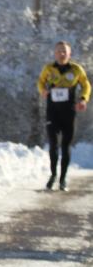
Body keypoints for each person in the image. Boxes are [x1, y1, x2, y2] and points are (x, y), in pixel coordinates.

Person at [37, 40, 90, 191]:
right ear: (54, 53)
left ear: (69, 54)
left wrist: (83, 99)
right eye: (59, 51)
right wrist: (43, 90)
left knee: (66, 145)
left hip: (69, 112)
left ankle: (63, 178)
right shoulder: (49, 68)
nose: (61, 54)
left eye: (64, 51)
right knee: (53, 144)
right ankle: (53, 175)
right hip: (52, 112)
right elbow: (40, 82)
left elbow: (86, 85)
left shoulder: (76, 69)